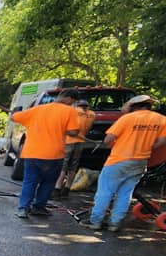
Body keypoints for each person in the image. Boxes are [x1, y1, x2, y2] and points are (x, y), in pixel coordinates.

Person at [88, 94, 166, 232]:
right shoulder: (161, 120)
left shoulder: (127, 118)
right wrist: (147, 146)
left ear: (132, 106)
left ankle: (95, 222)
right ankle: (115, 223)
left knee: (105, 192)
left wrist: (115, 144)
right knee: (125, 193)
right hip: (141, 161)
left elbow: (108, 139)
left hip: (118, 160)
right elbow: (162, 141)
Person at [9, 89, 82, 218]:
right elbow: (74, 132)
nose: (73, 105)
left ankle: (23, 209)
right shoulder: (70, 111)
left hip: (32, 153)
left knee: (29, 182)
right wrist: (62, 129)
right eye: (73, 102)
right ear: (69, 98)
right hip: (54, 154)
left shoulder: (37, 109)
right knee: (48, 182)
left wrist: (16, 111)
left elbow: (14, 117)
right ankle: (38, 207)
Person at [56, 99, 95, 198]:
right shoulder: (91, 114)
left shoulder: (72, 111)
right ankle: (67, 189)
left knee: (63, 166)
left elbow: (66, 128)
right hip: (80, 143)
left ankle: (57, 189)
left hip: (69, 141)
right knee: (73, 167)